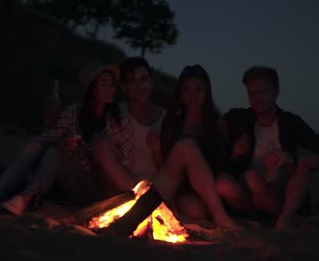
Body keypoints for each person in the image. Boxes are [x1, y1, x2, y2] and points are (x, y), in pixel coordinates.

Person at [93, 58, 241, 231]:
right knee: (101, 145)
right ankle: (136, 205)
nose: (139, 86)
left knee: (186, 146)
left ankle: (220, 215)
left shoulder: (165, 117)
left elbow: (165, 165)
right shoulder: (115, 114)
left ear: (151, 83)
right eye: (133, 81)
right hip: (127, 186)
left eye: (144, 79)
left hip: (158, 187)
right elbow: (102, 156)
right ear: (124, 87)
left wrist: (157, 148)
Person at [0, 62, 121, 215]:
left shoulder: (115, 119)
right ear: (91, 89)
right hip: (68, 178)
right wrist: (61, 141)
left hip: (94, 187)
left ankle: (15, 196)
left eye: (112, 84)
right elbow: (46, 138)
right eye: (105, 84)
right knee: (48, 146)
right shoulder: (73, 113)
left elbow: (116, 158)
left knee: (52, 150)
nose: (112, 88)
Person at [224, 66, 319, 229]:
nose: (256, 99)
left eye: (262, 92)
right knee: (250, 177)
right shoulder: (240, 119)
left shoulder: (291, 123)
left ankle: (287, 216)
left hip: (286, 197)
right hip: (253, 198)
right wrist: (233, 153)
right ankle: (290, 219)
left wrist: (292, 157)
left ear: (276, 91)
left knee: (305, 159)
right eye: (251, 94)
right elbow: (211, 130)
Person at [160, 64, 253, 219]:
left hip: (213, 180)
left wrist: (236, 154)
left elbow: (227, 162)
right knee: (195, 210)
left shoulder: (216, 122)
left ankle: (253, 217)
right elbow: (167, 162)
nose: (193, 96)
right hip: (185, 186)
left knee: (227, 186)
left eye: (198, 90)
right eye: (186, 90)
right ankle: (220, 213)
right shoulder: (173, 121)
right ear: (181, 94)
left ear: (206, 92)